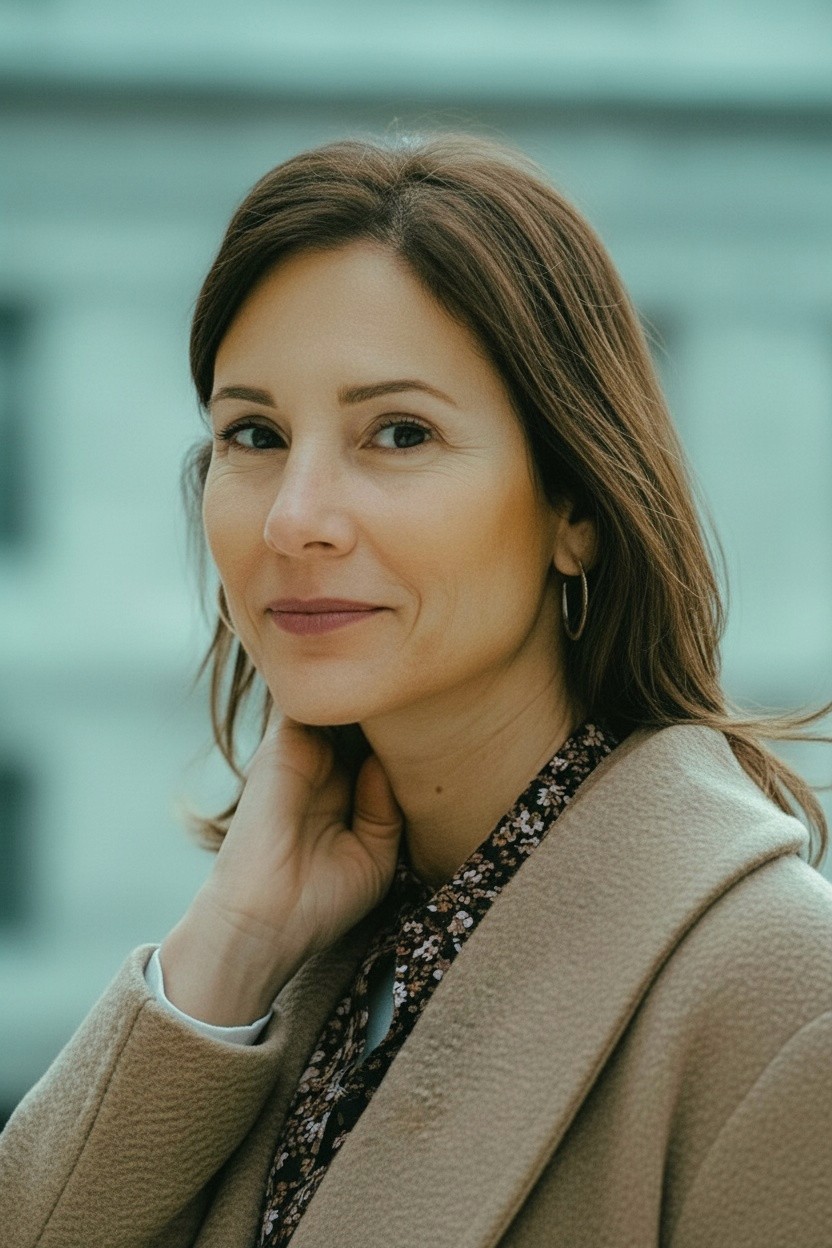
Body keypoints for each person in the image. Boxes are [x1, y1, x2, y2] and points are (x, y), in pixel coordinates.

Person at [2, 132, 831, 1248]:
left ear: (574, 510)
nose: (295, 517)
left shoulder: (780, 1001)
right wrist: (228, 950)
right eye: (254, 434)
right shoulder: (294, 959)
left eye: (398, 433)